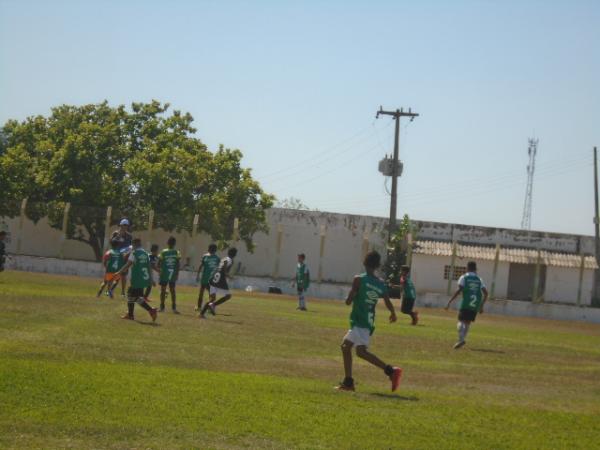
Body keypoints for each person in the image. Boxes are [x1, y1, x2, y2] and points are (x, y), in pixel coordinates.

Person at [336, 251, 403, 392]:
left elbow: (348, 301)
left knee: (360, 351)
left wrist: (349, 297)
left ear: (364, 263)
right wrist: (393, 313)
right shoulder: (380, 284)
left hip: (360, 320)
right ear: (377, 266)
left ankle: (391, 371)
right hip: (368, 321)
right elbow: (387, 301)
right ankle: (348, 382)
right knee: (346, 347)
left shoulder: (358, 279)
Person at [445, 261, 489, 349]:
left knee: (461, 321)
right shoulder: (479, 279)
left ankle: (461, 339)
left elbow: (459, 290)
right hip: (475, 304)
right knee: (468, 322)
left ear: (467, 268)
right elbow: (486, 293)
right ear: (476, 269)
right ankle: (462, 340)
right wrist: (481, 306)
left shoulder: (464, 277)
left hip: (466, 303)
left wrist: (450, 301)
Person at [114, 238, 157, 322]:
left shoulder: (134, 253)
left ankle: (149, 310)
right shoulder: (145, 253)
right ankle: (133, 314)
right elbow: (149, 267)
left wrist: (119, 272)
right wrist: (151, 279)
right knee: (135, 297)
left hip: (136, 278)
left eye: (132, 245)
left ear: (134, 244)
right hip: (143, 279)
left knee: (131, 295)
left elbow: (128, 264)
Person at [200, 247, 237, 318]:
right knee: (228, 296)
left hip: (214, 277)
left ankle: (202, 313)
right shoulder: (230, 260)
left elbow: (220, 266)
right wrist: (228, 275)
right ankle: (213, 305)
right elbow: (225, 266)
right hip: (220, 278)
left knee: (212, 298)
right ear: (234, 254)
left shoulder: (224, 258)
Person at [158, 237, 181, 313]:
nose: (171, 244)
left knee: (169, 290)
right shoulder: (165, 252)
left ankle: (170, 308)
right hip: (167, 274)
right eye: (170, 242)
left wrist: (177, 273)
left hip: (169, 274)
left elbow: (178, 263)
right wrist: (159, 270)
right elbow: (159, 262)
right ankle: (165, 307)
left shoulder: (176, 252)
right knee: (168, 291)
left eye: (172, 243)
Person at [111, 218, 133, 297]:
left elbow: (130, 245)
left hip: (125, 257)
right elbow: (112, 243)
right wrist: (119, 235)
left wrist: (129, 251)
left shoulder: (129, 236)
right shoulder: (115, 233)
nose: (125, 227)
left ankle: (123, 292)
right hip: (117, 256)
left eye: (126, 225)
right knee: (116, 274)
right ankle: (111, 289)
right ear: (120, 225)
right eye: (123, 225)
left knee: (123, 275)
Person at [195, 244, 220, 312]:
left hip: (208, 279)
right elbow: (201, 266)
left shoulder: (215, 258)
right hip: (207, 279)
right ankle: (202, 307)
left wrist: (197, 275)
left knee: (206, 294)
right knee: (206, 294)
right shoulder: (208, 257)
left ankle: (204, 307)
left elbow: (218, 269)